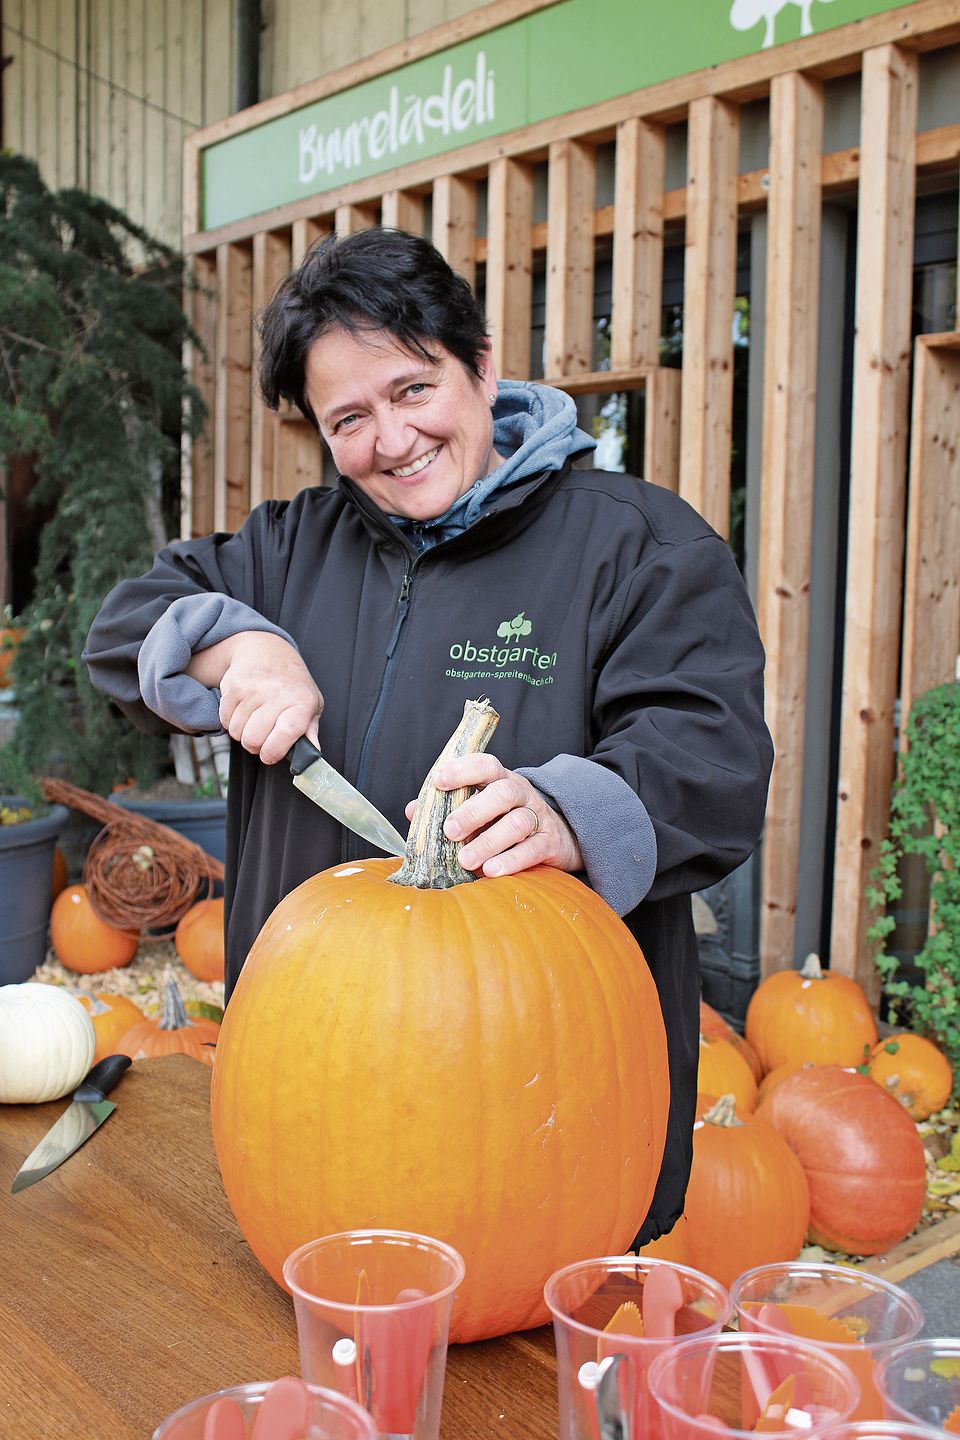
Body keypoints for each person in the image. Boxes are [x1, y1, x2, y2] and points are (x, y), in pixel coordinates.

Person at [83, 226, 773, 1245]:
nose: (391, 441)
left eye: (413, 390)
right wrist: (242, 650)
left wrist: (568, 812)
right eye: (349, 417)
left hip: (548, 1129)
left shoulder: (638, 545)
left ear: (482, 368)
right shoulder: (288, 547)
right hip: (310, 1107)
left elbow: (711, 757)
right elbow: (124, 629)